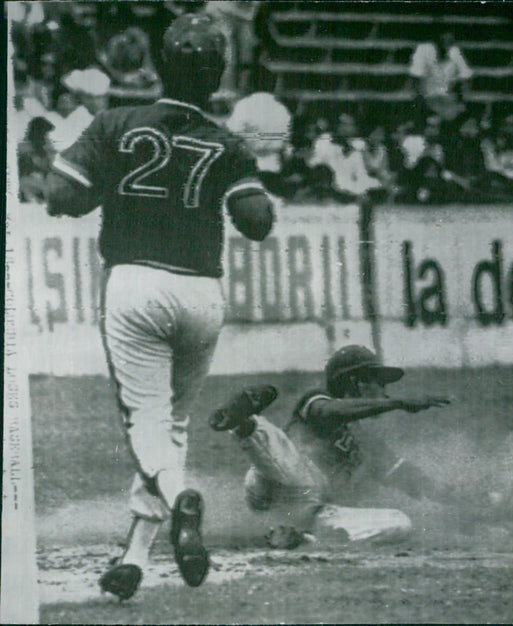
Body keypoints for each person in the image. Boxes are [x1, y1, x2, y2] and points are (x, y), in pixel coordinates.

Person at [44, 14, 275, 601]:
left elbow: (62, 195)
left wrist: (103, 186)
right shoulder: (226, 141)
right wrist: (253, 155)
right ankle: (136, 559)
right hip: (202, 293)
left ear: (159, 63)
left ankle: (181, 501)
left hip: (136, 286)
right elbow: (257, 222)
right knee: (169, 426)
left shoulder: (116, 121)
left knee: (146, 425)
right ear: (217, 72)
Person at [210, 345, 455, 547]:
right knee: (292, 459)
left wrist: (477, 503)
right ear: (355, 382)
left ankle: (303, 540)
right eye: (378, 382)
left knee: (400, 521)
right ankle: (244, 422)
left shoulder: (369, 444)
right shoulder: (317, 399)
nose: (384, 390)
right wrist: (397, 403)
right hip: (274, 481)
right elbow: (329, 411)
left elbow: (413, 480)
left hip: (313, 513)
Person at [408, 31, 473, 124]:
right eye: (443, 41)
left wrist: (459, 96)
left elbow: (466, 75)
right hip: (429, 96)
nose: (446, 45)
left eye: (449, 42)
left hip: (448, 97)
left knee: (455, 112)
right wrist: (424, 96)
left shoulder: (455, 51)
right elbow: (417, 77)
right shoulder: (423, 49)